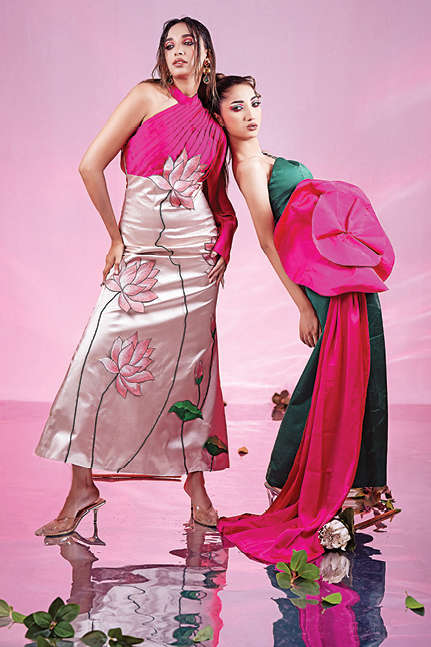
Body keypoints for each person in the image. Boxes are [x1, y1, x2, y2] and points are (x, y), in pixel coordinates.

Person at [34, 18, 237, 536]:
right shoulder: (147, 96)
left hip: (196, 259)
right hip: (141, 254)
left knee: (192, 371)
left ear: (206, 53)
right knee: (96, 360)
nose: (177, 52)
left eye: (187, 43)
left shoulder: (215, 115)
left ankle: (197, 487)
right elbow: (90, 165)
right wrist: (115, 237)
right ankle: (81, 488)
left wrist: (226, 240)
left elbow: (219, 196)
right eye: (168, 45)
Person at [213, 75, 394, 563]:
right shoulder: (247, 167)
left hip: (340, 266)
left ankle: (353, 489)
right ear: (220, 117)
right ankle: (298, 478)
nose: (250, 114)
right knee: (335, 374)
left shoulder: (266, 157)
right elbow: (268, 240)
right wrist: (301, 305)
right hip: (319, 278)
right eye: (236, 107)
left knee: (364, 367)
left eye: (254, 103)